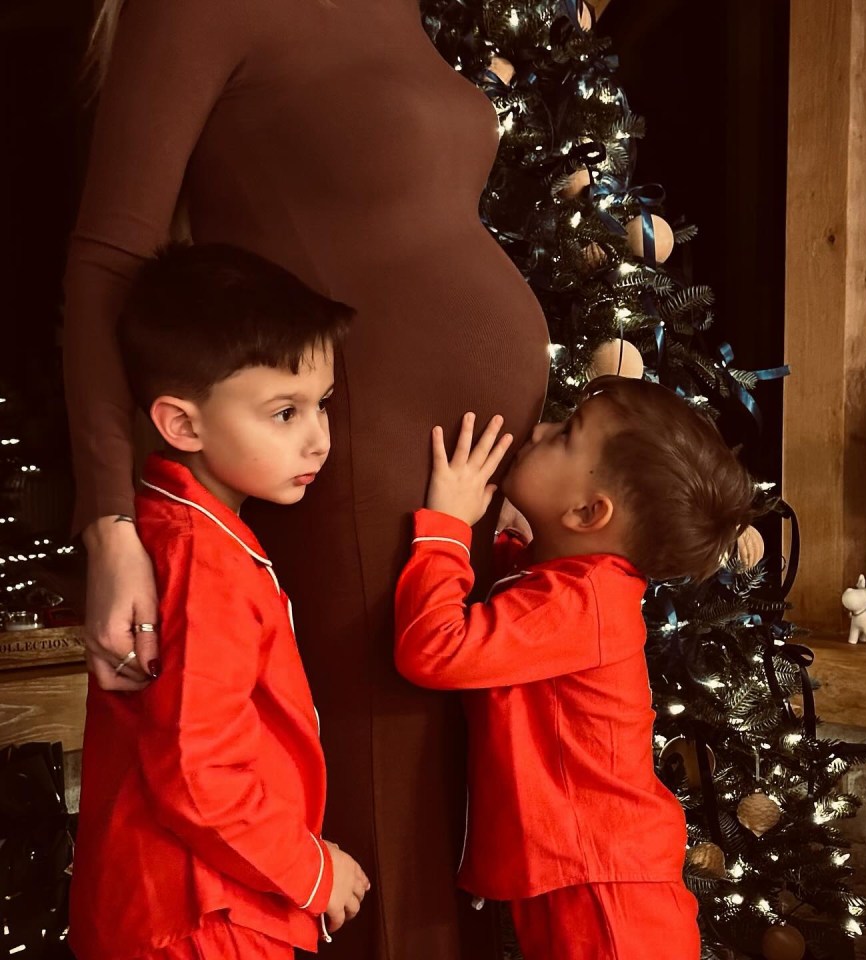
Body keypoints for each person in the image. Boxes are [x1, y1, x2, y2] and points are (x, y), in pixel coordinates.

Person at [63, 1, 549, 956]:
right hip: (347, 450)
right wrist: (109, 523)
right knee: (380, 801)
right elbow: (108, 261)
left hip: (452, 474)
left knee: (449, 808)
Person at [69, 243, 370, 960]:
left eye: (321, 405)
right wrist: (315, 873)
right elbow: (198, 772)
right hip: (199, 919)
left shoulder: (188, 528)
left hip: (186, 903)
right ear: (183, 425)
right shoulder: (203, 561)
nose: (318, 439)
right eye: (284, 412)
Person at [394, 376, 757, 960]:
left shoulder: (582, 602)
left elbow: (434, 648)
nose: (537, 430)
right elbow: (518, 608)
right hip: (594, 877)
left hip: (605, 894)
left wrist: (447, 527)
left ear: (588, 511)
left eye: (565, 436)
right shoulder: (576, 589)